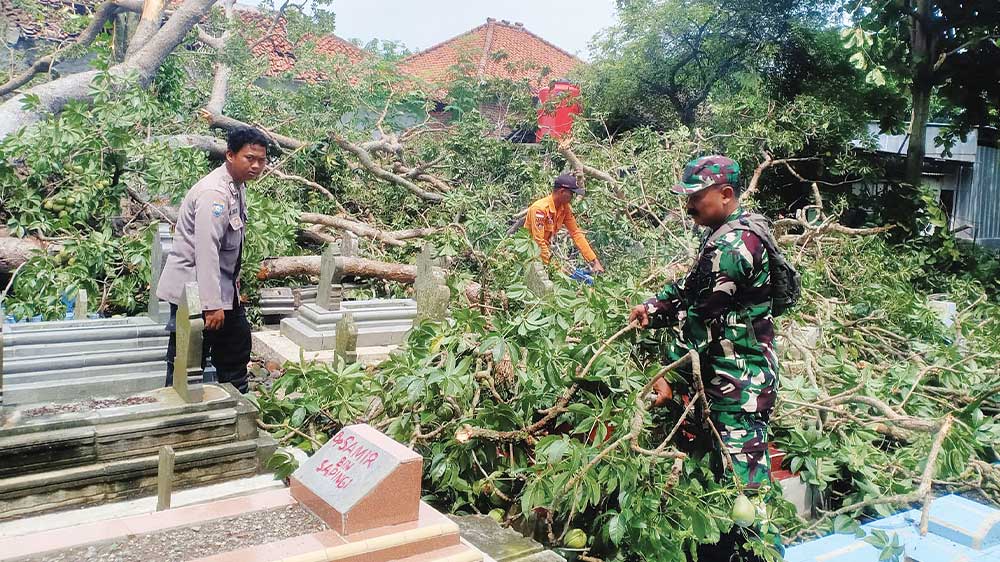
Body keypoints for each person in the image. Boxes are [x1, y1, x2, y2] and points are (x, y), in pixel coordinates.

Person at [627, 155, 780, 560]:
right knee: (723, 474)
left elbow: (701, 319)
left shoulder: (733, 246)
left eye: (696, 197)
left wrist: (668, 374)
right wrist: (654, 306)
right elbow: (693, 288)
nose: (689, 206)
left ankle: (761, 553)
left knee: (746, 486)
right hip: (724, 375)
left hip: (740, 384)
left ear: (726, 195)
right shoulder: (723, 234)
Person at [157, 127, 270, 393]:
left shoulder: (236, 186)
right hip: (195, 293)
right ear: (230, 155)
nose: (256, 165)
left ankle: (236, 403)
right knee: (189, 357)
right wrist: (211, 305)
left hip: (220, 288)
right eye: (249, 158)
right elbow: (206, 250)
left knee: (236, 344)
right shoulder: (214, 194)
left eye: (261, 160)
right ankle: (179, 416)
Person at [526, 174, 605, 274]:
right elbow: (538, 241)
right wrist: (555, 267)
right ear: (562, 192)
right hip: (531, 255)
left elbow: (576, 233)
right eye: (571, 193)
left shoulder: (565, 209)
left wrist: (594, 261)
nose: (572, 197)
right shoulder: (540, 209)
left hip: (545, 255)